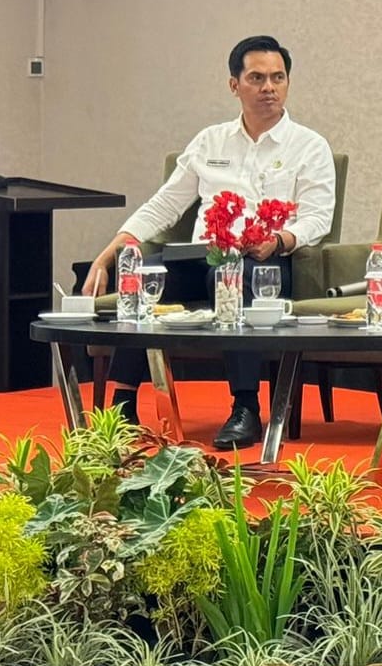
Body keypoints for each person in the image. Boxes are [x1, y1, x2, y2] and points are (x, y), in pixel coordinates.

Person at [81, 35, 337, 449]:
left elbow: (318, 218)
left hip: (264, 263)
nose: (269, 88)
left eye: (278, 78)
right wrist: (108, 256)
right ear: (235, 85)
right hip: (202, 255)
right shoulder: (210, 141)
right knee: (143, 277)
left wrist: (278, 239)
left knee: (234, 278)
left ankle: (245, 408)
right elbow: (165, 204)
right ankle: (122, 406)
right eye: (257, 78)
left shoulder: (309, 146)